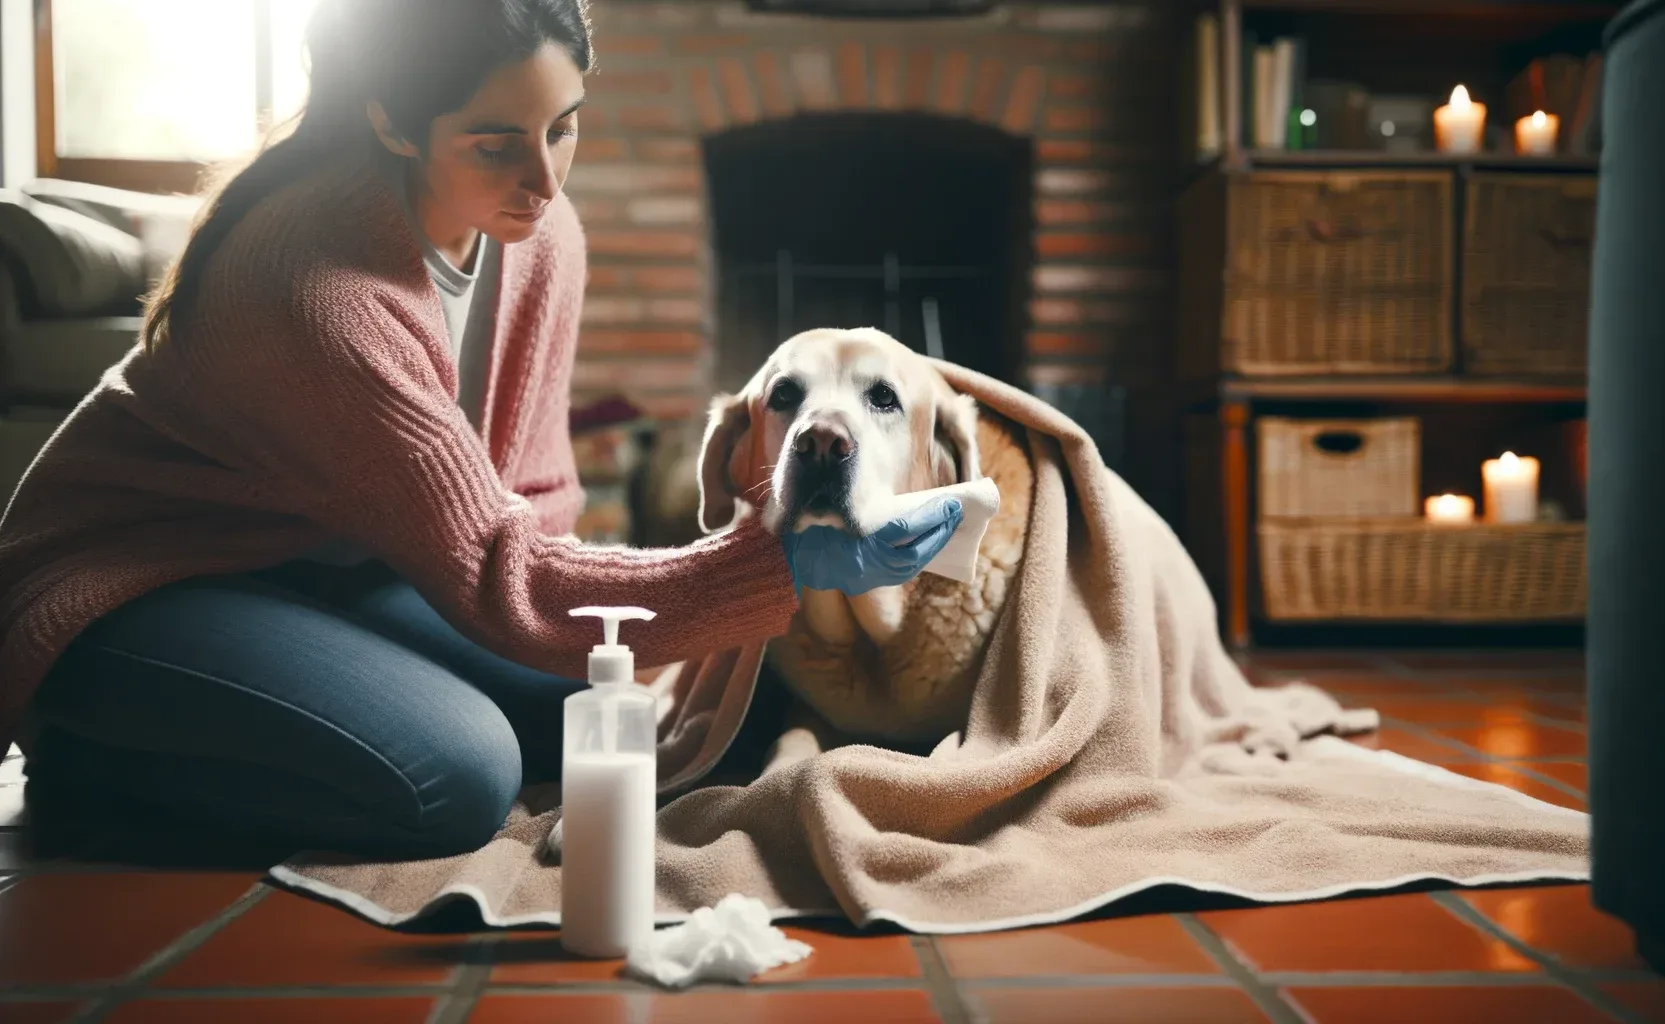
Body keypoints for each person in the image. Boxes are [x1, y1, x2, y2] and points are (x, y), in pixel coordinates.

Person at [0, 0, 961, 858]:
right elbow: (510, 576)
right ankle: (96, 765)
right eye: (496, 145)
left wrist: (675, 612)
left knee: (621, 715)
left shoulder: (540, 238)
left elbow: (532, 508)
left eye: (564, 129)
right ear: (393, 121)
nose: (543, 182)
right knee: (457, 776)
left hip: (344, 570)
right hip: (138, 589)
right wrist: (775, 570)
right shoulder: (317, 291)